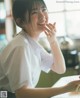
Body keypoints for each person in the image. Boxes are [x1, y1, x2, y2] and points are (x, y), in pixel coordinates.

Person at [0, 0, 80, 98]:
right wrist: (66, 88)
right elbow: (22, 93)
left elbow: (60, 68)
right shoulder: (21, 46)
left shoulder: (31, 43)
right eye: (34, 12)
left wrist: (53, 41)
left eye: (44, 9)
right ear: (20, 21)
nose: (42, 16)